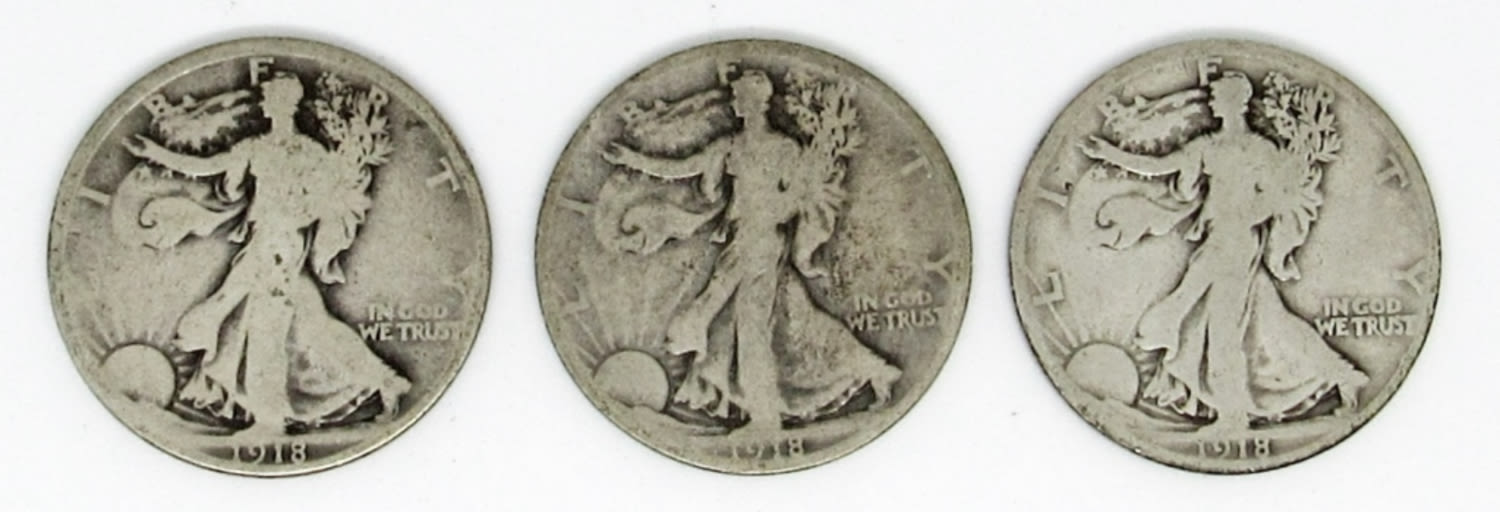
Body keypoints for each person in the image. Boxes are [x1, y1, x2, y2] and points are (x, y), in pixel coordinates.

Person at [603, 70, 899, 433]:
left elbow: (799, 198)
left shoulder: (784, 149)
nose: (735, 102)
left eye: (741, 96)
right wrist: (633, 159)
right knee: (793, 323)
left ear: (758, 101)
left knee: (751, 330)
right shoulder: (732, 146)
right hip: (742, 243)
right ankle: (874, 370)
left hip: (763, 246)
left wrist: (772, 213)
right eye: (736, 96)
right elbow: (682, 168)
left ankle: (764, 417)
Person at [1079, 72, 1367, 432]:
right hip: (1220, 243)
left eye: (1218, 97)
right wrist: (1110, 154)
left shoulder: (1258, 150)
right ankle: (1344, 375)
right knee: (1269, 321)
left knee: (1221, 331)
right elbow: (1159, 167)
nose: (1213, 102)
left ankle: (1232, 416)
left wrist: (1243, 218)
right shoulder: (1210, 147)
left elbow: (1276, 197)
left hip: (1235, 247)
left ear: (1236, 101)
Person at [124, 72, 409, 436]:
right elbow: (208, 166)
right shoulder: (267, 148)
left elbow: (326, 201)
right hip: (274, 242)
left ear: (286, 104)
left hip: (278, 246)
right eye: (268, 99)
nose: (267, 104)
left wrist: (292, 222)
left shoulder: (301, 152)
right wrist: (156, 153)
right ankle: (386, 380)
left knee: (264, 327)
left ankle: (270, 421)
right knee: (313, 325)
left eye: (272, 98)